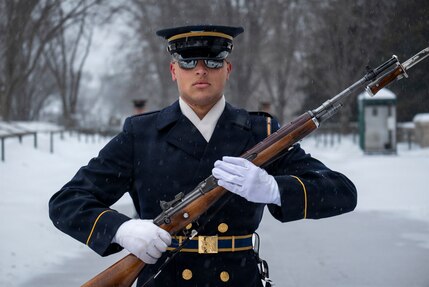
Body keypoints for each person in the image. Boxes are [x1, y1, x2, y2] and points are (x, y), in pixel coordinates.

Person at [49, 25, 357, 287]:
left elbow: (342, 192)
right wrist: (122, 229)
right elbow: (67, 202)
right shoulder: (140, 134)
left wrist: (275, 189)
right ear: (173, 71)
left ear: (228, 69)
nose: (200, 69)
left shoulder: (260, 133)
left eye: (213, 61)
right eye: (187, 61)